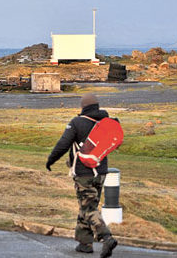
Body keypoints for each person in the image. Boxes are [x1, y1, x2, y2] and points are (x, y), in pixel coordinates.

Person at [45, 94, 118, 258]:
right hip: (101, 172)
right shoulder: (104, 122)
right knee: (88, 205)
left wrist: (51, 160)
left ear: (83, 107)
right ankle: (85, 244)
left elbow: (63, 144)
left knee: (88, 207)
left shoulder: (77, 122)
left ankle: (106, 237)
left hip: (84, 173)